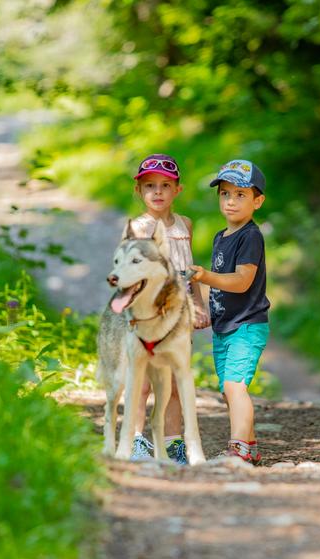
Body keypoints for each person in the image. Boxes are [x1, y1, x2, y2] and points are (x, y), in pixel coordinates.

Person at [127, 153, 210, 464]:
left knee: (174, 381)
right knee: (145, 381)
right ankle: (136, 440)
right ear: (139, 191)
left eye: (165, 185)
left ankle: (173, 443)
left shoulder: (185, 224)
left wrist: (198, 305)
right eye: (150, 186)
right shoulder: (138, 227)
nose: (157, 192)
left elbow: (189, 271)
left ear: (178, 189)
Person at [189, 159, 270, 466]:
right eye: (225, 194)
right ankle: (249, 446)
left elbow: (241, 280)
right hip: (225, 325)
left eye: (240, 194)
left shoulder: (250, 236)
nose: (231, 201)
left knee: (234, 386)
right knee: (228, 390)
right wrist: (209, 308)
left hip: (247, 324)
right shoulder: (221, 236)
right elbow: (222, 285)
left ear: (257, 201)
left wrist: (204, 276)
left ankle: (239, 449)